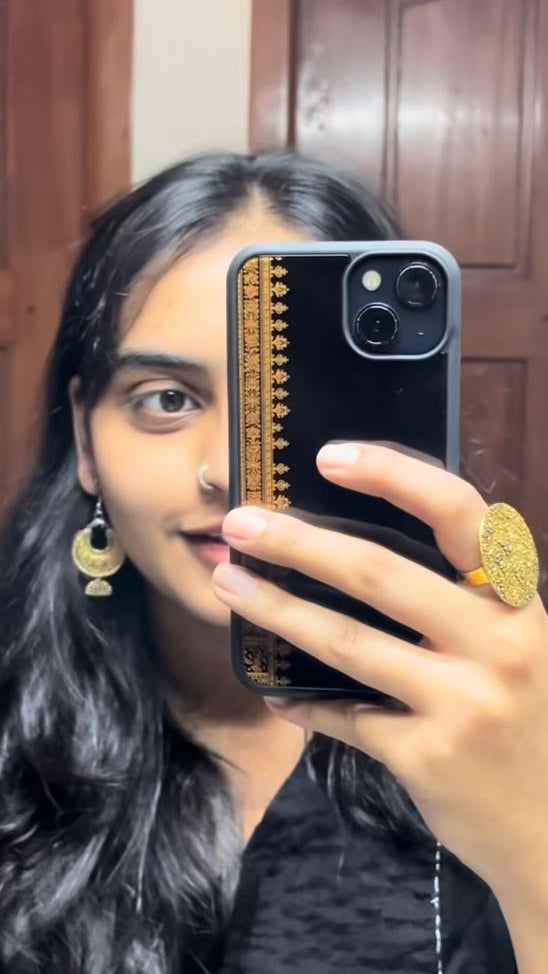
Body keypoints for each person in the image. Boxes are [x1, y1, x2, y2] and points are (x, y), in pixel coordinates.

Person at [0, 151, 546, 974]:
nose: (228, 468)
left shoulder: (513, 709)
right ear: (85, 438)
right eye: (166, 399)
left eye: (283, 407)